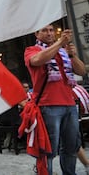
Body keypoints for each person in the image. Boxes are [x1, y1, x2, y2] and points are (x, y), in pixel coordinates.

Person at [24, 25, 86, 174]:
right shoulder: (32, 50)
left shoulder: (63, 53)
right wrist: (60, 43)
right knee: (48, 151)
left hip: (70, 104)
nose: (49, 33)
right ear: (36, 34)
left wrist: (72, 55)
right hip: (48, 106)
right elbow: (38, 60)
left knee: (71, 147)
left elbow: (82, 71)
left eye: (51, 30)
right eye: (44, 30)